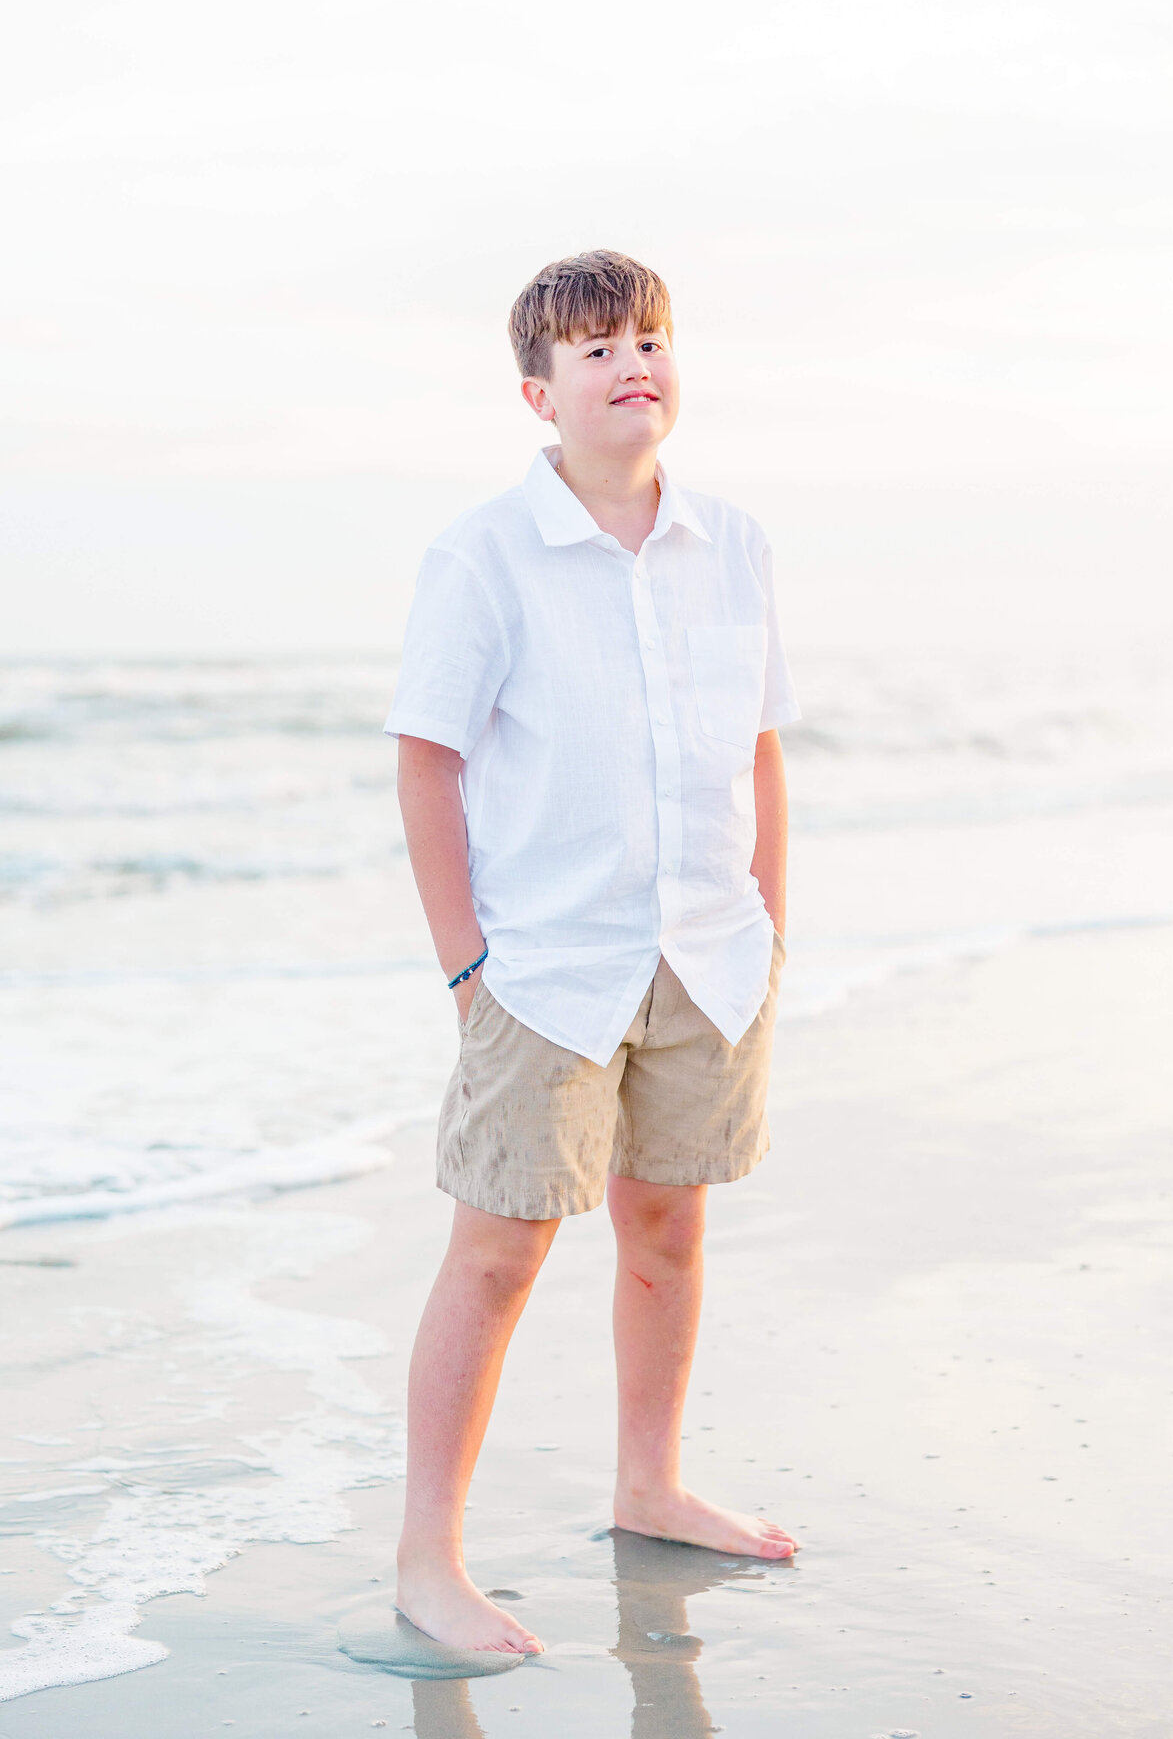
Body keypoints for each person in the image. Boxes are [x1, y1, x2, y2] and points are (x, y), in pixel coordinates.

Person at [383, 249, 802, 1656]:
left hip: (708, 956)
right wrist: (465, 965)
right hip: (546, 971)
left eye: (651, 339)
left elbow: (757, 745)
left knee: (669, 1232)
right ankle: (426, 1559)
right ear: (538, 392)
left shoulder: (733, 543)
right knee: (499, 1257)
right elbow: (428, 763)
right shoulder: (484, 554)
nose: (633, 363)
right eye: (596, 348)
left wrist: (770, 918)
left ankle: (650, 1482)